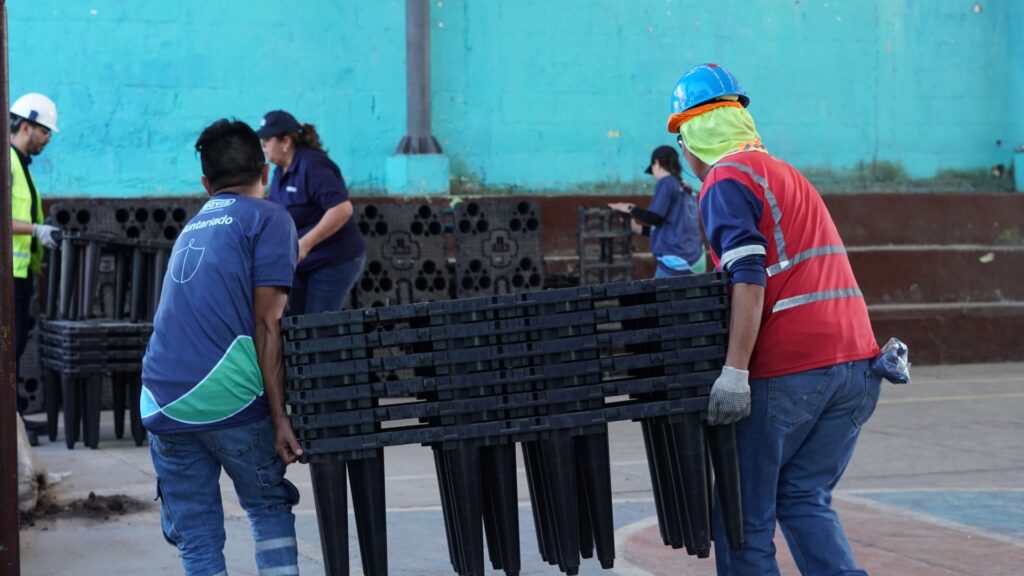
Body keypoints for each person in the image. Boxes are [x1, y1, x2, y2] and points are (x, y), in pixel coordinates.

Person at [666, 63, 881, 575]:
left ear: (693, 135)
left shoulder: (724, 180)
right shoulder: (785, 173)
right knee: (804, 497)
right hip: (857, 365)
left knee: (742, 521)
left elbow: (748, 274)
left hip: (789, 370)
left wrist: (736, 370)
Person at [140, 119, 303, 575]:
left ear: (206, 184)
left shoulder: (191, 228)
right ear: (264, 172)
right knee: (268, 507)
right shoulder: (269, 218)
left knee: (197, 539)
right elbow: (268, 324)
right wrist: (280, 418)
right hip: (228, 398)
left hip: (159, 398)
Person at [256, 110, 365, 314]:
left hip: (333, 259)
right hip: (301, 262)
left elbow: (342, 209)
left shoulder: (312, 165)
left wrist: (305, 243)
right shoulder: (280, 170)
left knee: (318, 326)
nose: (264, 146)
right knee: (299, 322)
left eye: (267, 140)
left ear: (285, 141)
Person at [9, 93, 61, 446]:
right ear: (25, 125)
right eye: (45, 131)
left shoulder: (21, 165)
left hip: (21, 275)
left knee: (14, 350)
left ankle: (13, 422)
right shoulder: (7, 163)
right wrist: (36, 230)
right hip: (8, 276)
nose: (47, 139)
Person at [609, 145, 706, 276]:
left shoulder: (666, 183)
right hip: (696, 260)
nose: (654, 175)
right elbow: (674, 229)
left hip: (676, 262)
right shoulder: (686, 188)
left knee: (661, 294)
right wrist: (638, 229)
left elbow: (654, 218)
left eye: (653, 169)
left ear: (657, 163)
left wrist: (630, 208)